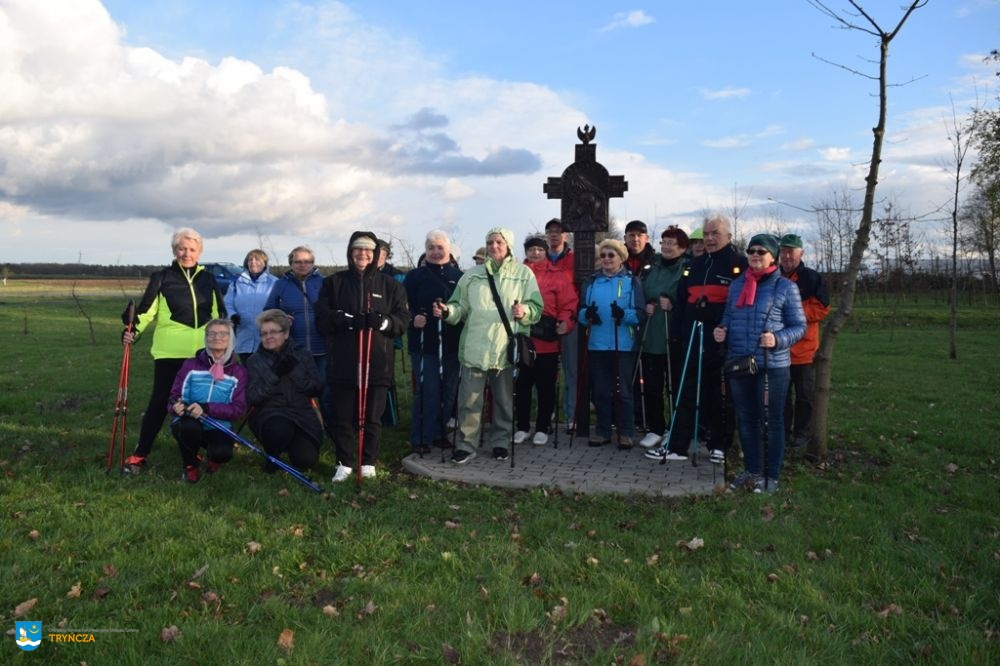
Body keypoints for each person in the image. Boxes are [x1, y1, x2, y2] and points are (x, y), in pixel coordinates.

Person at [432, 227, 542, 464]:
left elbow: (536, 307)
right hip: (475, 347)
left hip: (505, 349)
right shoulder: (471, 276)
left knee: (503, 401)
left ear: (508, 245)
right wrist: (447, 311)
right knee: (469, 401)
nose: (494, 246)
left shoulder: (524, 274)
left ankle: (500, 443)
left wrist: (524, 311)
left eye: (499, 242)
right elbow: (459, 307)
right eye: (490, 242)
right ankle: (465, 445)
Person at [121, 227, 226, 471]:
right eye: (181, 248)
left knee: (201, 403)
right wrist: (132, 331)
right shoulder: (162, 277)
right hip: (169, 352)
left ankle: (201, 451)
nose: (186, 253)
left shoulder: (208, 279)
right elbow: (146, 312)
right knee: (160, 402)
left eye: (192, 249)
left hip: (202, 354)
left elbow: (218, 315)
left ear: (199, 251)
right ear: (174, 250)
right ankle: (141, 452)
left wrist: (222, 347)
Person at [646, 214, 747, 464]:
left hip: (722, 341)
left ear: (728, 237)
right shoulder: (694, 265)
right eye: (706, 234)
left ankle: (720, 444)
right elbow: (682, 302)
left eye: (715, 234)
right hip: (692, 337)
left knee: (719, 394)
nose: (709, 239)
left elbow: (742, 305)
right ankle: (677, 445)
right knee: (686, 391)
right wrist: (678, 335)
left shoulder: (739, 264)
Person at [715, 234, 806, 493]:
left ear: (772, 257)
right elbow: (728, 317)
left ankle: (771, 476)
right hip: (740, 362)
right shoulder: (737, 285)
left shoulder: (785, 287)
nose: (755, 255)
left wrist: (777, 339)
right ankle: (752, 470)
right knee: (746, 419)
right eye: (751, 250)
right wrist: (722, 329)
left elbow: (799, 326)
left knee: (772, 421)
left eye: (761, 251)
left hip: (772, 365)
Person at [316, 231, 410, 482]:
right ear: (350, 252)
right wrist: (346, 319)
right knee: (343, 415)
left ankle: (368, 461)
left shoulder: (391, 285)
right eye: (358, 249)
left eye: (368, 250)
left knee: (372, 416)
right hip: (343, 361)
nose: (363, 254)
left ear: (376, 254)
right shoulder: (333, 283)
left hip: (377, 362)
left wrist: (383, 322)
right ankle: (345, 461)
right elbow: (322, 318)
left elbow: (402, 320)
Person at [578, 238, 644, 449]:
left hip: (622, 344)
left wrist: (624, 315)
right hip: (597, 344)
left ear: (620, 258)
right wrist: (587, 315)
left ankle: (626, 432)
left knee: (623, 391)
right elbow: (581, 312)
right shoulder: (591, 282)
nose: (606, 259)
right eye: (603, 255)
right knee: (600, 391)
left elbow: (640, 314)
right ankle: (602, 431)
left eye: (611, 255)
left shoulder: (632, 282)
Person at [514, 235, 578, 446]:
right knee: (522, 386)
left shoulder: (558, 275)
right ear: (526, 252)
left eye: (540, 249)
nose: (536, 253)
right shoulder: (516, 273)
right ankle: (522, 426)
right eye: (532, 249)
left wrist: (565, 322)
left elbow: (568, 303)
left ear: (546, 251)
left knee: (546, 387)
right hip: (523, 338)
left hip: (547, 339)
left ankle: (542, 426)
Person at [404, 230, 463, 455]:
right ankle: (421, 436)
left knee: (448, 391)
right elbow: (403, 307)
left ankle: (440, 432)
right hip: (424, 344)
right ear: (426, 250)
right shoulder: (414, 277)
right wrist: (413, 319)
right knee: (427, 390)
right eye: (431, 248)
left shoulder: (460, 277)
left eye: (440, 248)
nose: (436, 252)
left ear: (448, 249)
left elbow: (465, 307)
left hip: (452, 343)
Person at [168, 319, 247, 484]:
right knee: (187, 427)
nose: (217, 337)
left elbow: (238, 409)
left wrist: (207, 408)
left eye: (223, 334)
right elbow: (174, 396)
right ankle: (190, 465)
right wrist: (176, 406)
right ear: (206, 338)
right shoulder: (190, 364)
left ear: (231, 339)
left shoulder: (238, 372)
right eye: (212, 333)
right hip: (190, 420)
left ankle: (213, 457)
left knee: (222, 453)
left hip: (218, 424)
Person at [246, 309, 325, 473]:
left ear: (286, 333)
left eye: (273, 332)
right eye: (264, 333)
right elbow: (253, 397)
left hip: (301, 413)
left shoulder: (303, 354)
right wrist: (274, 375)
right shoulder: (254, 360)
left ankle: (292, 444)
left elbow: (316, 388)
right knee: (278, 429)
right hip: (271, 412)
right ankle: (272, 457)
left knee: (306, 460)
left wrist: (295, 371)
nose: (268, 337)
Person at [263, 246, 330, 429]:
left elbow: (333, 309)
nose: (302, 265)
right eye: (298, 261)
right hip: (294, 348)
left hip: (322, 347)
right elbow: (268, 311)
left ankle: (329, 425)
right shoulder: (281, 284)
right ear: (291, 263)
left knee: (325, 389)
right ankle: (304, 424)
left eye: (307, 261)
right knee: (298, 389)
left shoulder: (324, 283)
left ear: (313, 263)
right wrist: (281, 317)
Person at [638, 226, 690, 448]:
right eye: (664, 242)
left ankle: (675, 427)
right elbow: (640, 291)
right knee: (652, 385)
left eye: (672, 243)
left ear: (682, 247)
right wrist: (646, 305)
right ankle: (655, 427)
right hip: (651, 333)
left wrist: (674, 304)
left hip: (674, 335)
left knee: (676, 385)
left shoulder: (687, 268)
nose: (667, 247)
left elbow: (690, 298)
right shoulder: (651, 266)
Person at [778, 234, 830, 449]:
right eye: (783, 251)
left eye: (791, 251)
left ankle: (802, 434)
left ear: (801, 253)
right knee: (781, 396)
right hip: (778, 349)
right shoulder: (773, 277)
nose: (787, 256)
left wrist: (793, 312)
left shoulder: (811, 278)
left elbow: (822, 308)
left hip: (804, 350)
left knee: (804, 395)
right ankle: (781, 433)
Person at [543, 217, 579, 429]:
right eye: (550, 231)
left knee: (571, 370)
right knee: (545, 372)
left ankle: (571, 415)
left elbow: (578, 290)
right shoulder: (539, 259)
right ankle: (546, 414)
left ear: (565, 235)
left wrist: (569, 318)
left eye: (558, 231)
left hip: (568, 321)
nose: (554, 235)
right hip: (543, 324)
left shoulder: (575, 259)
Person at [224, 249, 278, 362]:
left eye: (257, 259)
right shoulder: (236, 283)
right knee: (245, 370)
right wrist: (232, 315)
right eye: (250, 260)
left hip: (267, 338)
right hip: (243, 337)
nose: (253, 262)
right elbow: (228, 303)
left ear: (264, 263)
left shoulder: (274, 283)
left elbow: (280, 306)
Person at [376, 238, 407, 427]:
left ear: (386, 255)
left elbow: (400, 306)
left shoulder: (396, 276)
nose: (376, 257)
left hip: (388, 331)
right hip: (367, 331)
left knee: (385, 375)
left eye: (381, 254)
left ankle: (388, 416)